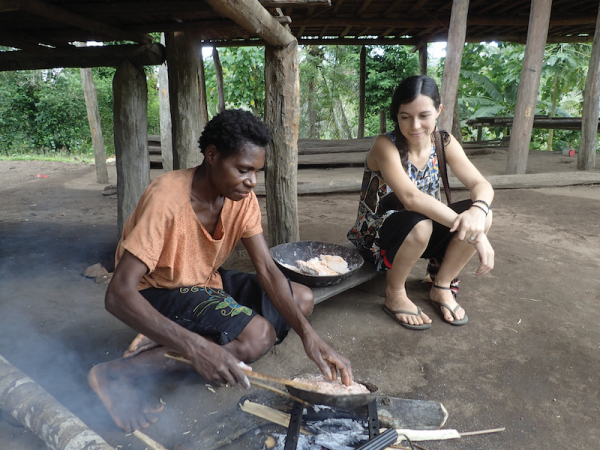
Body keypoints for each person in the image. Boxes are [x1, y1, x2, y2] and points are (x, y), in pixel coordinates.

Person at [88, 109, 353, 432]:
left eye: (256, 171)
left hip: (204, 282)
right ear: (212, 155)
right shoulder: (167, 200)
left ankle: (171, 337)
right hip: (158, 290)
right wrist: (198, 349)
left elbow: (268, 271)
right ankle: (116, 373)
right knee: (258, 337)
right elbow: (118, 294)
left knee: (301, 298)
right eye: (243, 169)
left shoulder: (241, 199)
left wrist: (310, 338)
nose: (252, 181)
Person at [347, 75, 494, 330]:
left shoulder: (443, 142)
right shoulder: (385, 145)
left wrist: (478, 213)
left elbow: (481, 185)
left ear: (438, 110)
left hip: (423, 228)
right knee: (424, 225)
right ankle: (394, 292)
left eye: (423, 115)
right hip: (379, 236)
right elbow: (411, 198)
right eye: (405, 117)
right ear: (397, 116)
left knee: (483, 214)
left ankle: (441, 286)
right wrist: (477, 236)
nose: (415, 126)